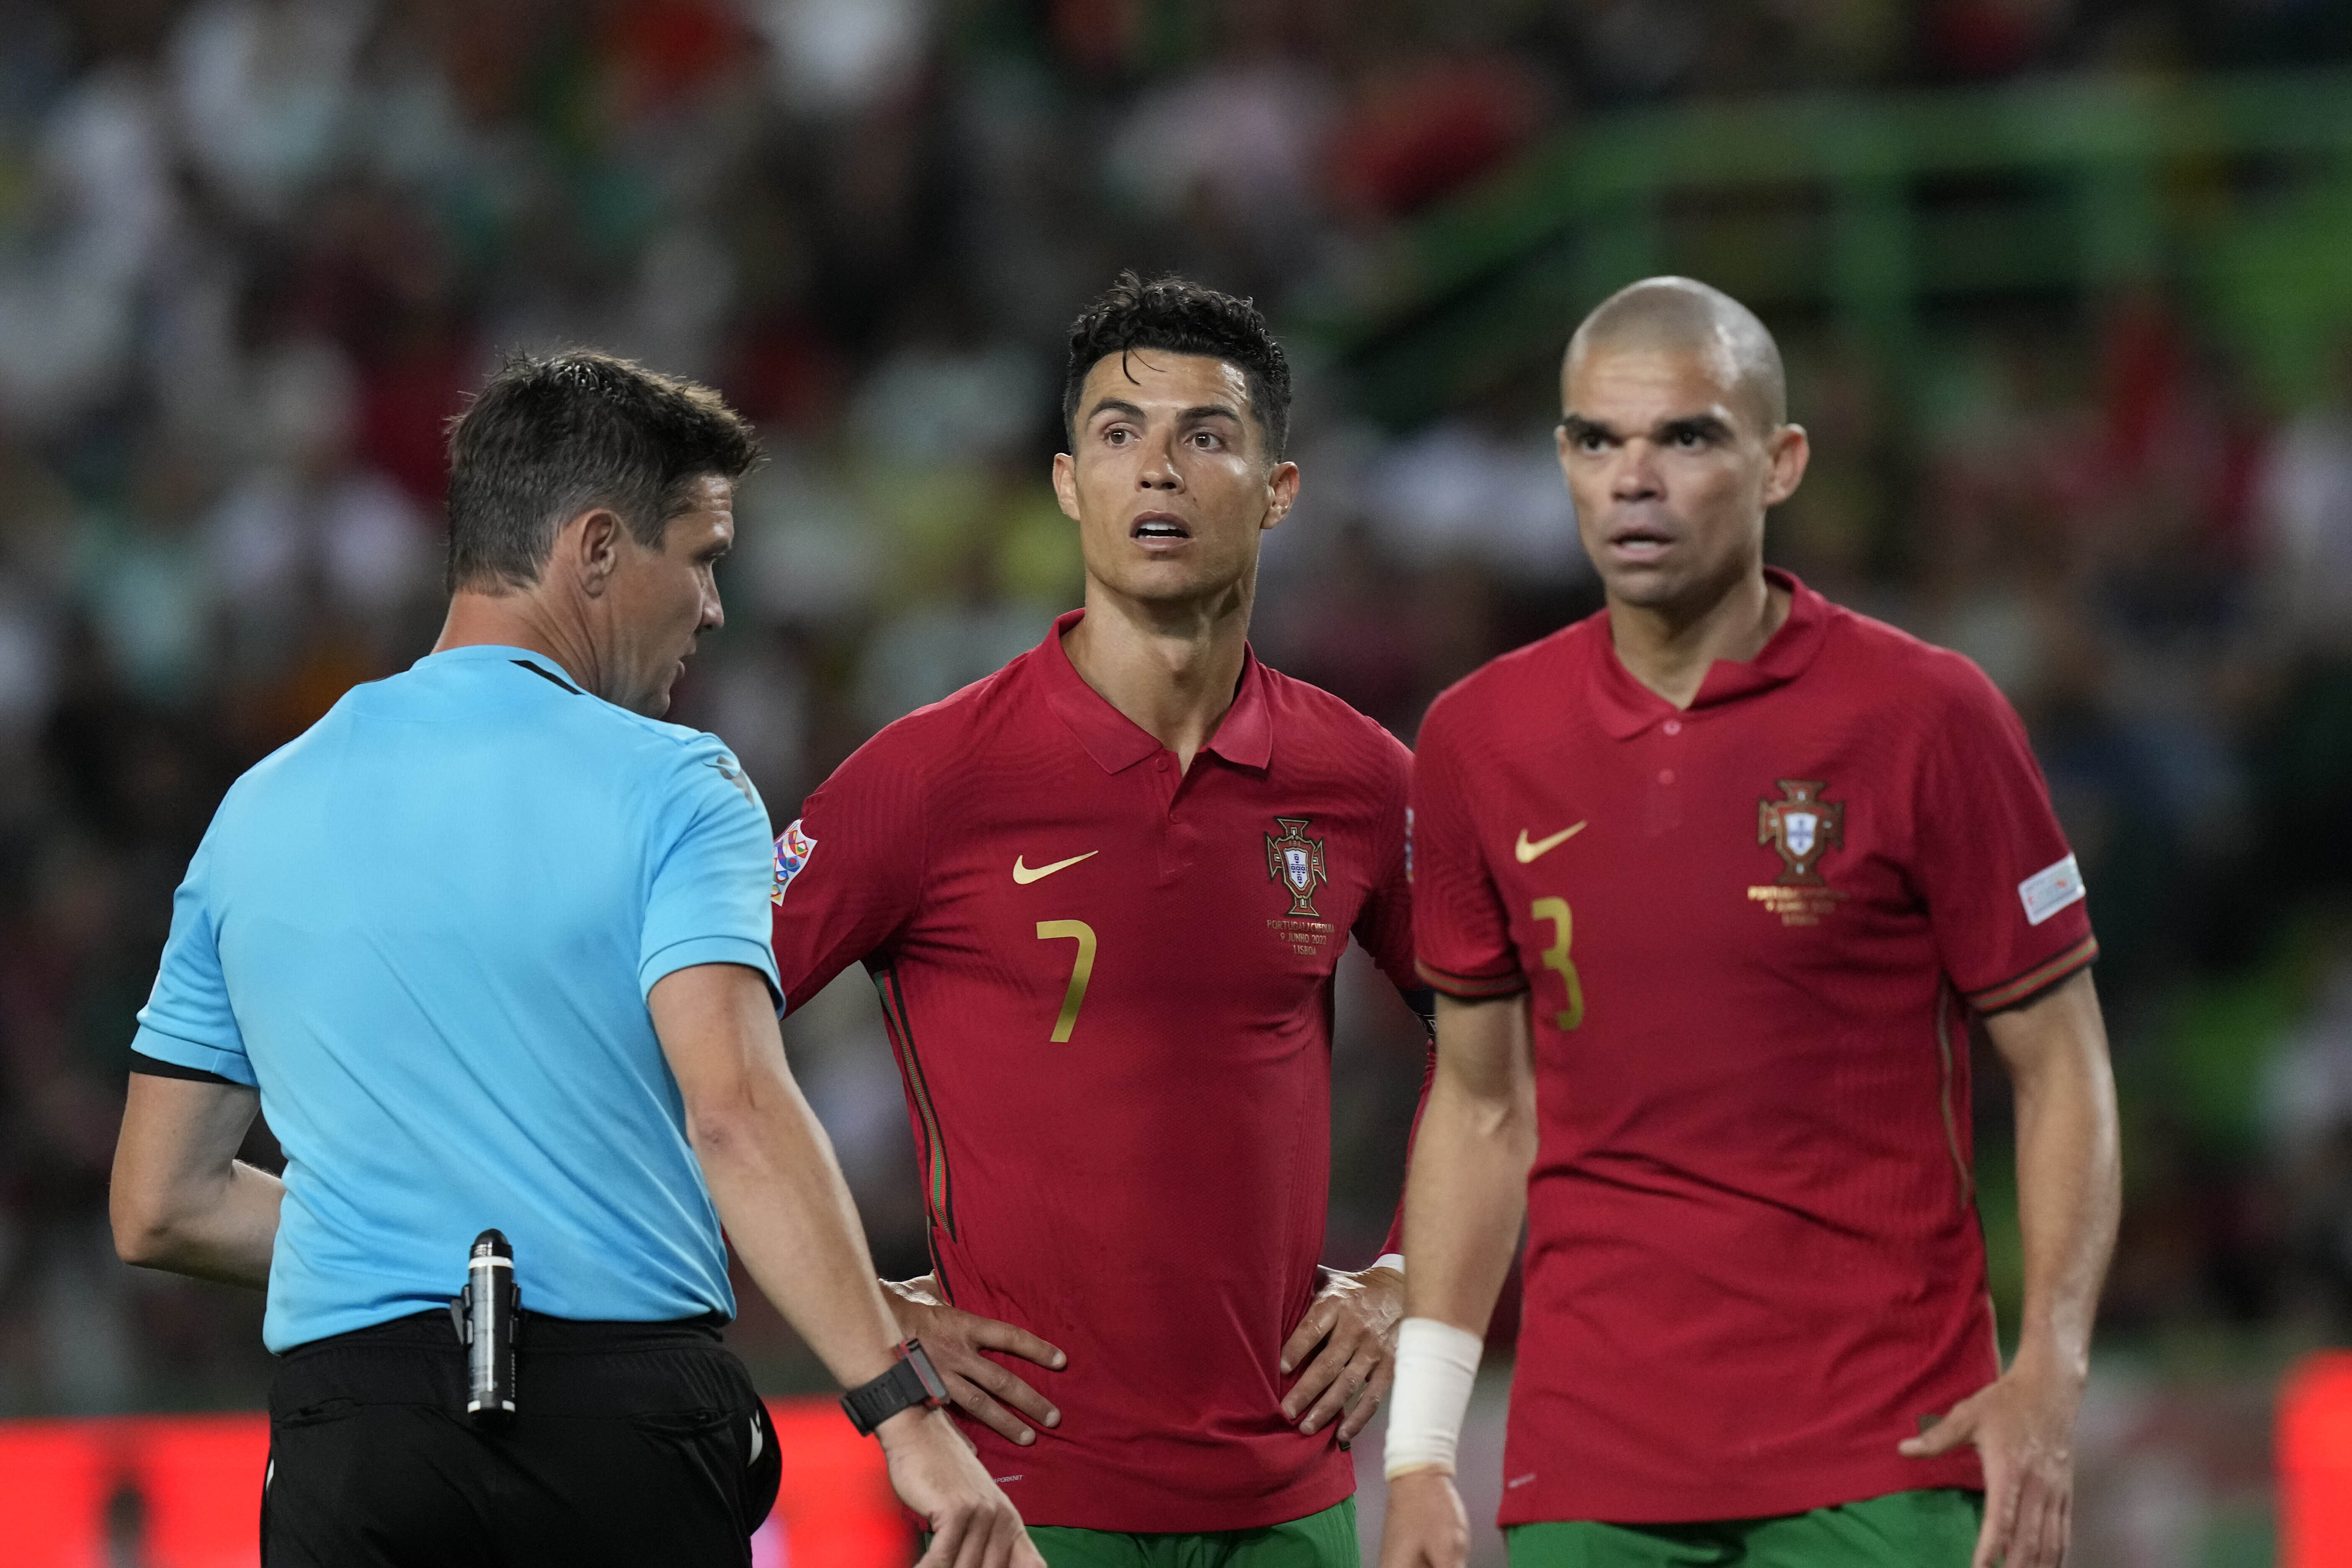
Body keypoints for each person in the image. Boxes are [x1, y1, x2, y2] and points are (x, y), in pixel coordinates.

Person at [108, 351, 1039, 1568]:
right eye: (701, 558)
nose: (713, 608)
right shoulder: (677, 787)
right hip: (619, 1429)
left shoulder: (257, 810)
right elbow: (738, 1117)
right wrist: (904, 1414)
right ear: (596, 551)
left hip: (354, 1443)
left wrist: (407, 1244)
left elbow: (160, 1203)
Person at [1377, 279, 2121, 1568]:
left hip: (1882, 1451)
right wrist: (1423, 1450)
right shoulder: (1478, 740)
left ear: (1780, 463)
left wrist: (2050, 1371)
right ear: (1560, 459)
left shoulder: (1925, 718)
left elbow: (2063, 1068)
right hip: (1593, 1465)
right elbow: (1482, 1112)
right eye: (1597, 441)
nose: (1634, 480)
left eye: (1688, 437)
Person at [768, 273, 1432, 1567]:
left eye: (1206, 436)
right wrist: (862, 1311)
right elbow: (682, 1050)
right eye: (1120, 436)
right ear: (1070, 487)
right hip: (1019, 1507)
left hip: (1293, 1506)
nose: (1160, 473)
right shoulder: (929, 777)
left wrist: (1411, 1282)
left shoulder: (1361, 783)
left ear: (1279, 491)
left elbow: (1511, 1052)